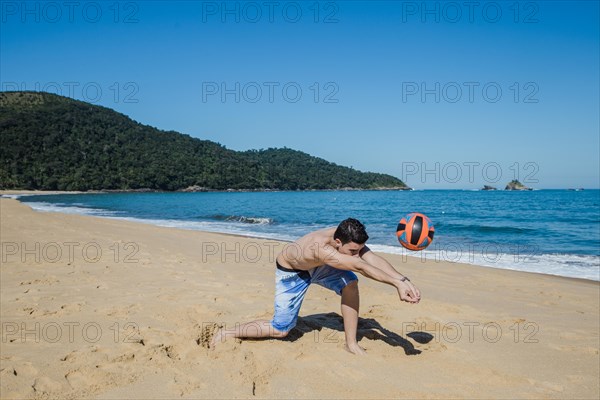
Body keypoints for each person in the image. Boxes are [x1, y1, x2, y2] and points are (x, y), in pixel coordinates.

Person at [210, 218, 421, 355]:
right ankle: (228, 333)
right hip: (292, 273)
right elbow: (360, 265)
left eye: (358, 249)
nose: (357, 252)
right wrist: (394, 284)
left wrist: (403, 280)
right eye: (352, 250)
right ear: (338, 242)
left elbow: (370, 258)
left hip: (320, 266)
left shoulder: (347, 237)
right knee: (281, 330)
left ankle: (351, 343)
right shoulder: (320, 248)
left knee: (351, 284)